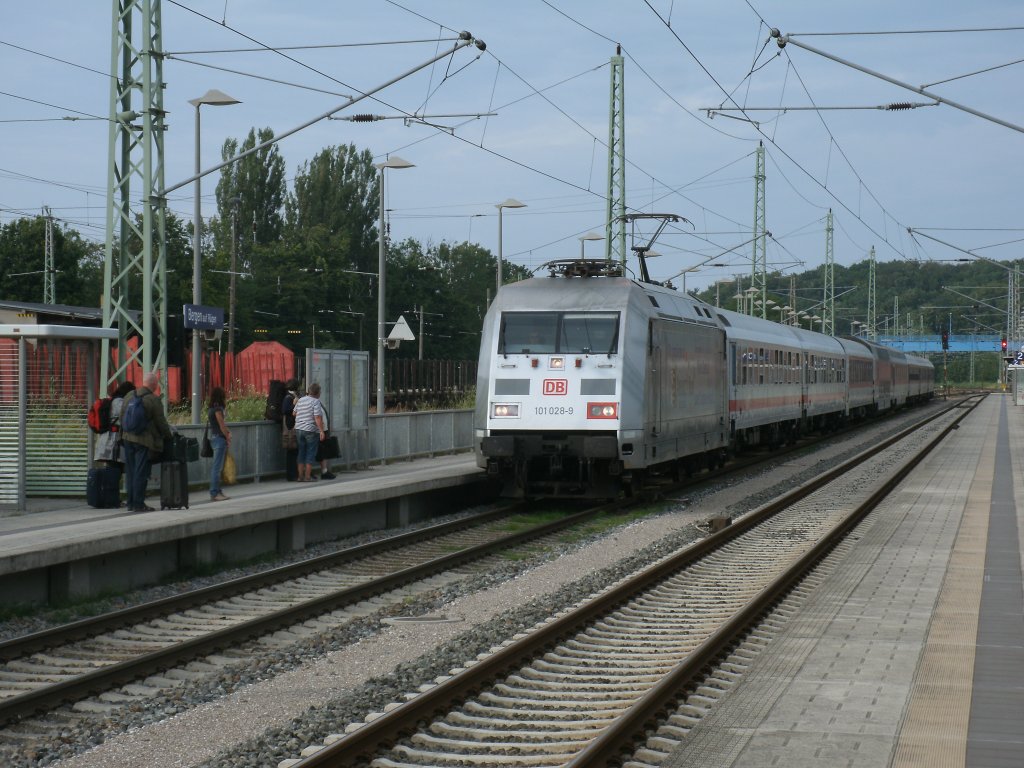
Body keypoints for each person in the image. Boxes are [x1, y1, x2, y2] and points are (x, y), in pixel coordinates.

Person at [120, 371, 173, 512]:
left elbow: (122, 416)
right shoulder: (153, 400)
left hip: (127, 438)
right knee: (140, 472)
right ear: (154, 385)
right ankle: (138, 504)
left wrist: (122, 435)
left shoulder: (129, 396)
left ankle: (130, 503)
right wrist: (169, 437)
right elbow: (161, 423)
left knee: (130, 471)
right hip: (142, 440)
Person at [94, 380, 136, 469]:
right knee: (114, 470)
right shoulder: (119, 402)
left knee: (113, 469)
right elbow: (128, 418)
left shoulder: (113, 400)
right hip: (113, 442)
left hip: (107, 441)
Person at [292, 382, 326, 482]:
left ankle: (300, 477)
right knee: (310, 453)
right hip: (310, 430)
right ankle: (307, 477)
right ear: (318, 392)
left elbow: (294, 413)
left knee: (301, 452)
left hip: (299, 429)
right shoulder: (316, 402)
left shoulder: (301, 400)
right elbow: (317, 417)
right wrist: (321, 431)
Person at [207, 386, 231, 501]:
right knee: (217, 468)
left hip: (214, 438)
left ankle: (218, 491)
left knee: (218, 467)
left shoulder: (212, 407)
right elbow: (221, 424)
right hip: (219, 439)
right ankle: (214, 493)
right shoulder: (217, 409)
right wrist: (227, 436)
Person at [281, 378, 300, 481]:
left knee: (294, 452)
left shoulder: (292, 396)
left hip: (292, 426)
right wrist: (294, 404)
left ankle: (294, 474)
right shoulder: (288, 397)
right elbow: (285, 410)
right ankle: (291, 475)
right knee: (292, 452)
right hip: (290, 428)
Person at [317, 404, 337, 480]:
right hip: (319, 431)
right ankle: (308, 473)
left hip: (323, 431)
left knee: (323, 451)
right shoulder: (312, 403)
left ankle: (324, 471)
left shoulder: (318, 403)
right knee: (317, 452)